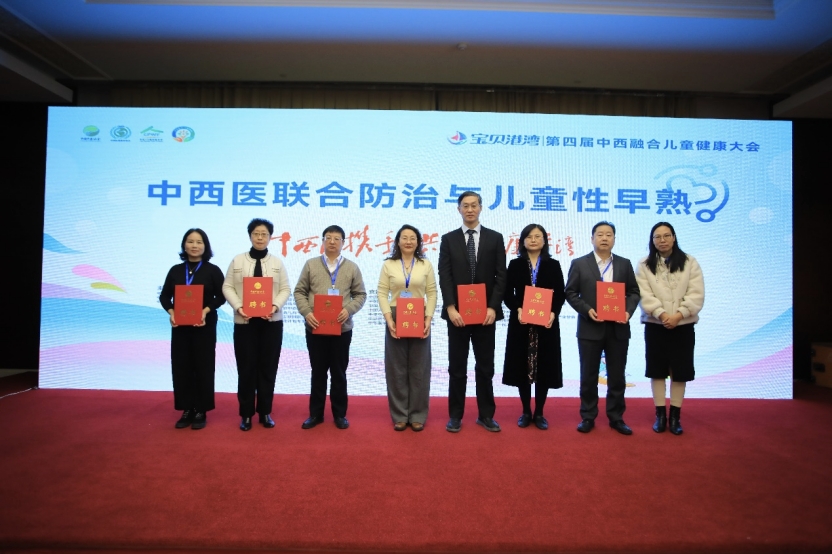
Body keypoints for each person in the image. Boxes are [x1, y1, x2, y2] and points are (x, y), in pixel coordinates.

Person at [438, 191, 507, 433]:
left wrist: (493, 307)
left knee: (485, 368)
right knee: (457, 368)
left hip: (486, 315)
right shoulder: (448, 239)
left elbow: (501, 276)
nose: (470, 209)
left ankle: (486, 415)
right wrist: (450, 307)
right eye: (465, 206)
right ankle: (455, 416)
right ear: (458, 209)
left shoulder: (495, 238)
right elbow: (444, 275)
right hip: (457, 315)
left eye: (474, 205)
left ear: (481, 208)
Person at [564, 221, 640, 435]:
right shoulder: (580, 263)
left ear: (614, 239)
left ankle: (616, 417)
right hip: (590, 327)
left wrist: (627, 311)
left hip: (618, 328)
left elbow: (634, 292)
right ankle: (588, 416)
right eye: (600, 234)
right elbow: (570, 292)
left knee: (617, 376)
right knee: (588, 375)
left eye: (608, 234)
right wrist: (587, 310)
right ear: (592, 239)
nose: (604, 238)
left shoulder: (624, 264)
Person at [293, 225, 367, 430]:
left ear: (343, 243)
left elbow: (361, 295)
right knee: (318, 372)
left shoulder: (352, 267)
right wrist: (307, 313)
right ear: (323, 241)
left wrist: (348, 310)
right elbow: (299, 291)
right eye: (328, 238)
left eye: (337, 238)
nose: (332, 241)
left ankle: (339, 414)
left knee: (339, 373)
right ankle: (315, 414)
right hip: (315, 328)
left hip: (342, 329)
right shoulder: (311, 264)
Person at [635, 222, 704, 435]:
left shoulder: (690, 262)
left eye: (666, 236)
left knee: (679, 371)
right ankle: (660, 415)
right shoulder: (644, 264)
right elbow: (643, 294)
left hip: (682, 325)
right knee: (657, 371)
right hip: (656, 325)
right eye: (657, 237)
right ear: (652, 240)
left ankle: (675, 416)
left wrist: (679, 315)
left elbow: (696, 293)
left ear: (674, 237)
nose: (662, 240)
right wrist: (662, 315)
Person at [222, 218, 291, 431]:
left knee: (268, 368)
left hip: (271, 323)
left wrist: (275, 306)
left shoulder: (277, 262)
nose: (260, 238)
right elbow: (227, 287)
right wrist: (239, 306)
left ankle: (265, 412)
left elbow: (285, 289)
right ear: (250, 236)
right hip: (245, 322)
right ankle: (246, 414)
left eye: (264, 234)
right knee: (246, 368)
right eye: (256, 234)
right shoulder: (238, 260)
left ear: (270, 237)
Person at [159, 228, 226, 430]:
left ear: (205, 246)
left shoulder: (212, 270)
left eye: (199, 242)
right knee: (182, 366)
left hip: (204, 325)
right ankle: (186, 408)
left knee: (203, 366)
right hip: (180, 326)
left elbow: (221, 296)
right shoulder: (175, 270)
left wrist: (205, 310)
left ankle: (201, 410)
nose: (194, 245)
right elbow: (164, 296)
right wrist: (171, 312)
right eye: (190, 241)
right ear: (184, 245)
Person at [502, 224, 566, 430]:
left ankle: (539, 412)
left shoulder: (553, 265)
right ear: (522, 241)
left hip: (546, 325)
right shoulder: (515, 264)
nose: (533, 240)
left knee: (544, 367)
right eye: (529, 237)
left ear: (544, 241)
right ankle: (525, 411)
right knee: (522, 367)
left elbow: (560, 293)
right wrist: (518, 309)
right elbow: (506, 293)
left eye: (538, 236)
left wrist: (553, 313)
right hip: (522, 323)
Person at [377, 224, 438, 432]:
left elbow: (432, 292)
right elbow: (381, 292)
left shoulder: (425, 264)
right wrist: (389, 319)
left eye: (413, 238)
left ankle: (418, 415)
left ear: (418, 242)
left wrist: (428, 318)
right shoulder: (389, 264)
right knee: (396, 368)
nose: (408, 241)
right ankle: (400, 415)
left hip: (419, 315)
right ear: (398, 241)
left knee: (420, 368)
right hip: (396, 315)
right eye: (404, 237)